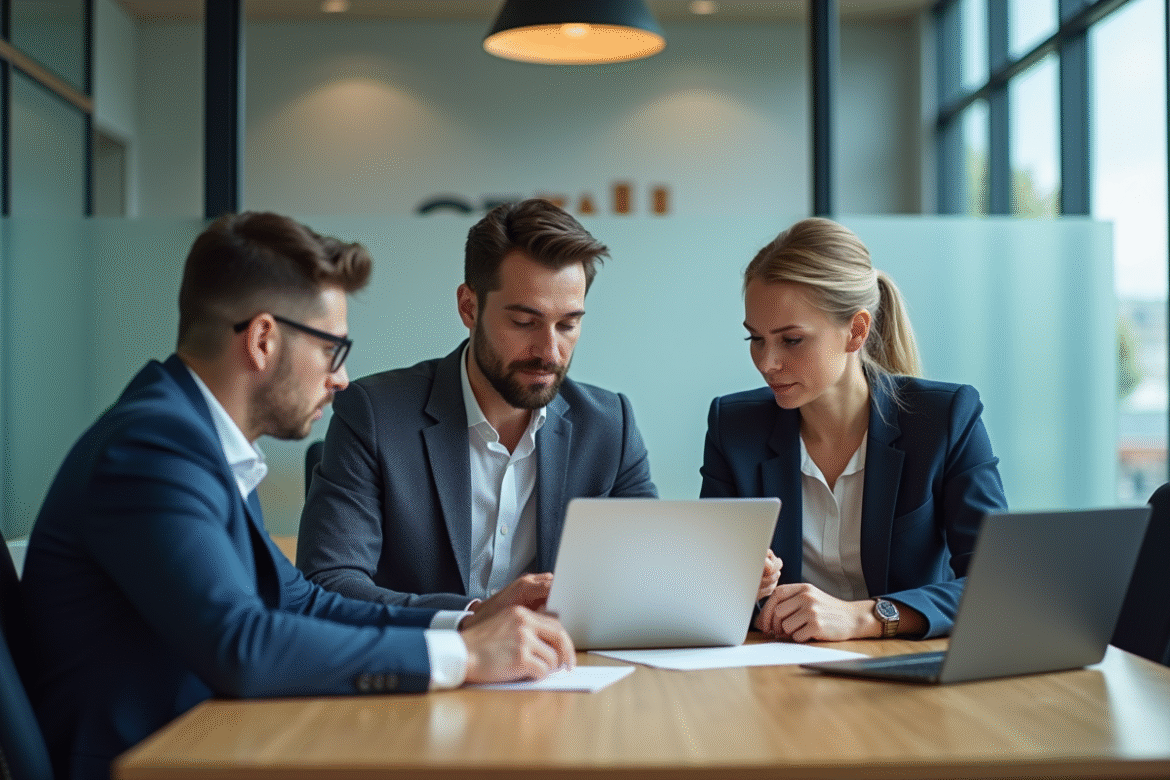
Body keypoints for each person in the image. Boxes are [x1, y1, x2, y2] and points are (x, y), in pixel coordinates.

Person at [19, 212, 574, 780]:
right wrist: (466, 659)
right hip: (145, 762)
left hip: (205, 743)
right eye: (332, 348)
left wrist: (469, 621)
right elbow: (244, 647)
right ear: (263, 339)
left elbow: (299, 602)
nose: (341, 379)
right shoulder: (154, 450)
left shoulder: (198, 439)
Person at [296, 198, 662, 611]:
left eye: (568, 324)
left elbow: (646, 576)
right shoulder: (374, 414)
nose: (550, 352)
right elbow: (328, 583)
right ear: (469, 307)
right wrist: (474, 618)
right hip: (427, 668)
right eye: (524, 322)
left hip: (561, 667)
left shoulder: (610, 426)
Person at [700, 217, 1008, 642]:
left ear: (856, 331)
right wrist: (739, 586)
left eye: (791, 340)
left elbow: (997, 583)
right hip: (781, 677)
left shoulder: (944, 420)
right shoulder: (733, 427)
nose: (767, 363)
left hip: (907, 675)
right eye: (756, 339)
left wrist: (865, 617)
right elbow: (704, 585)